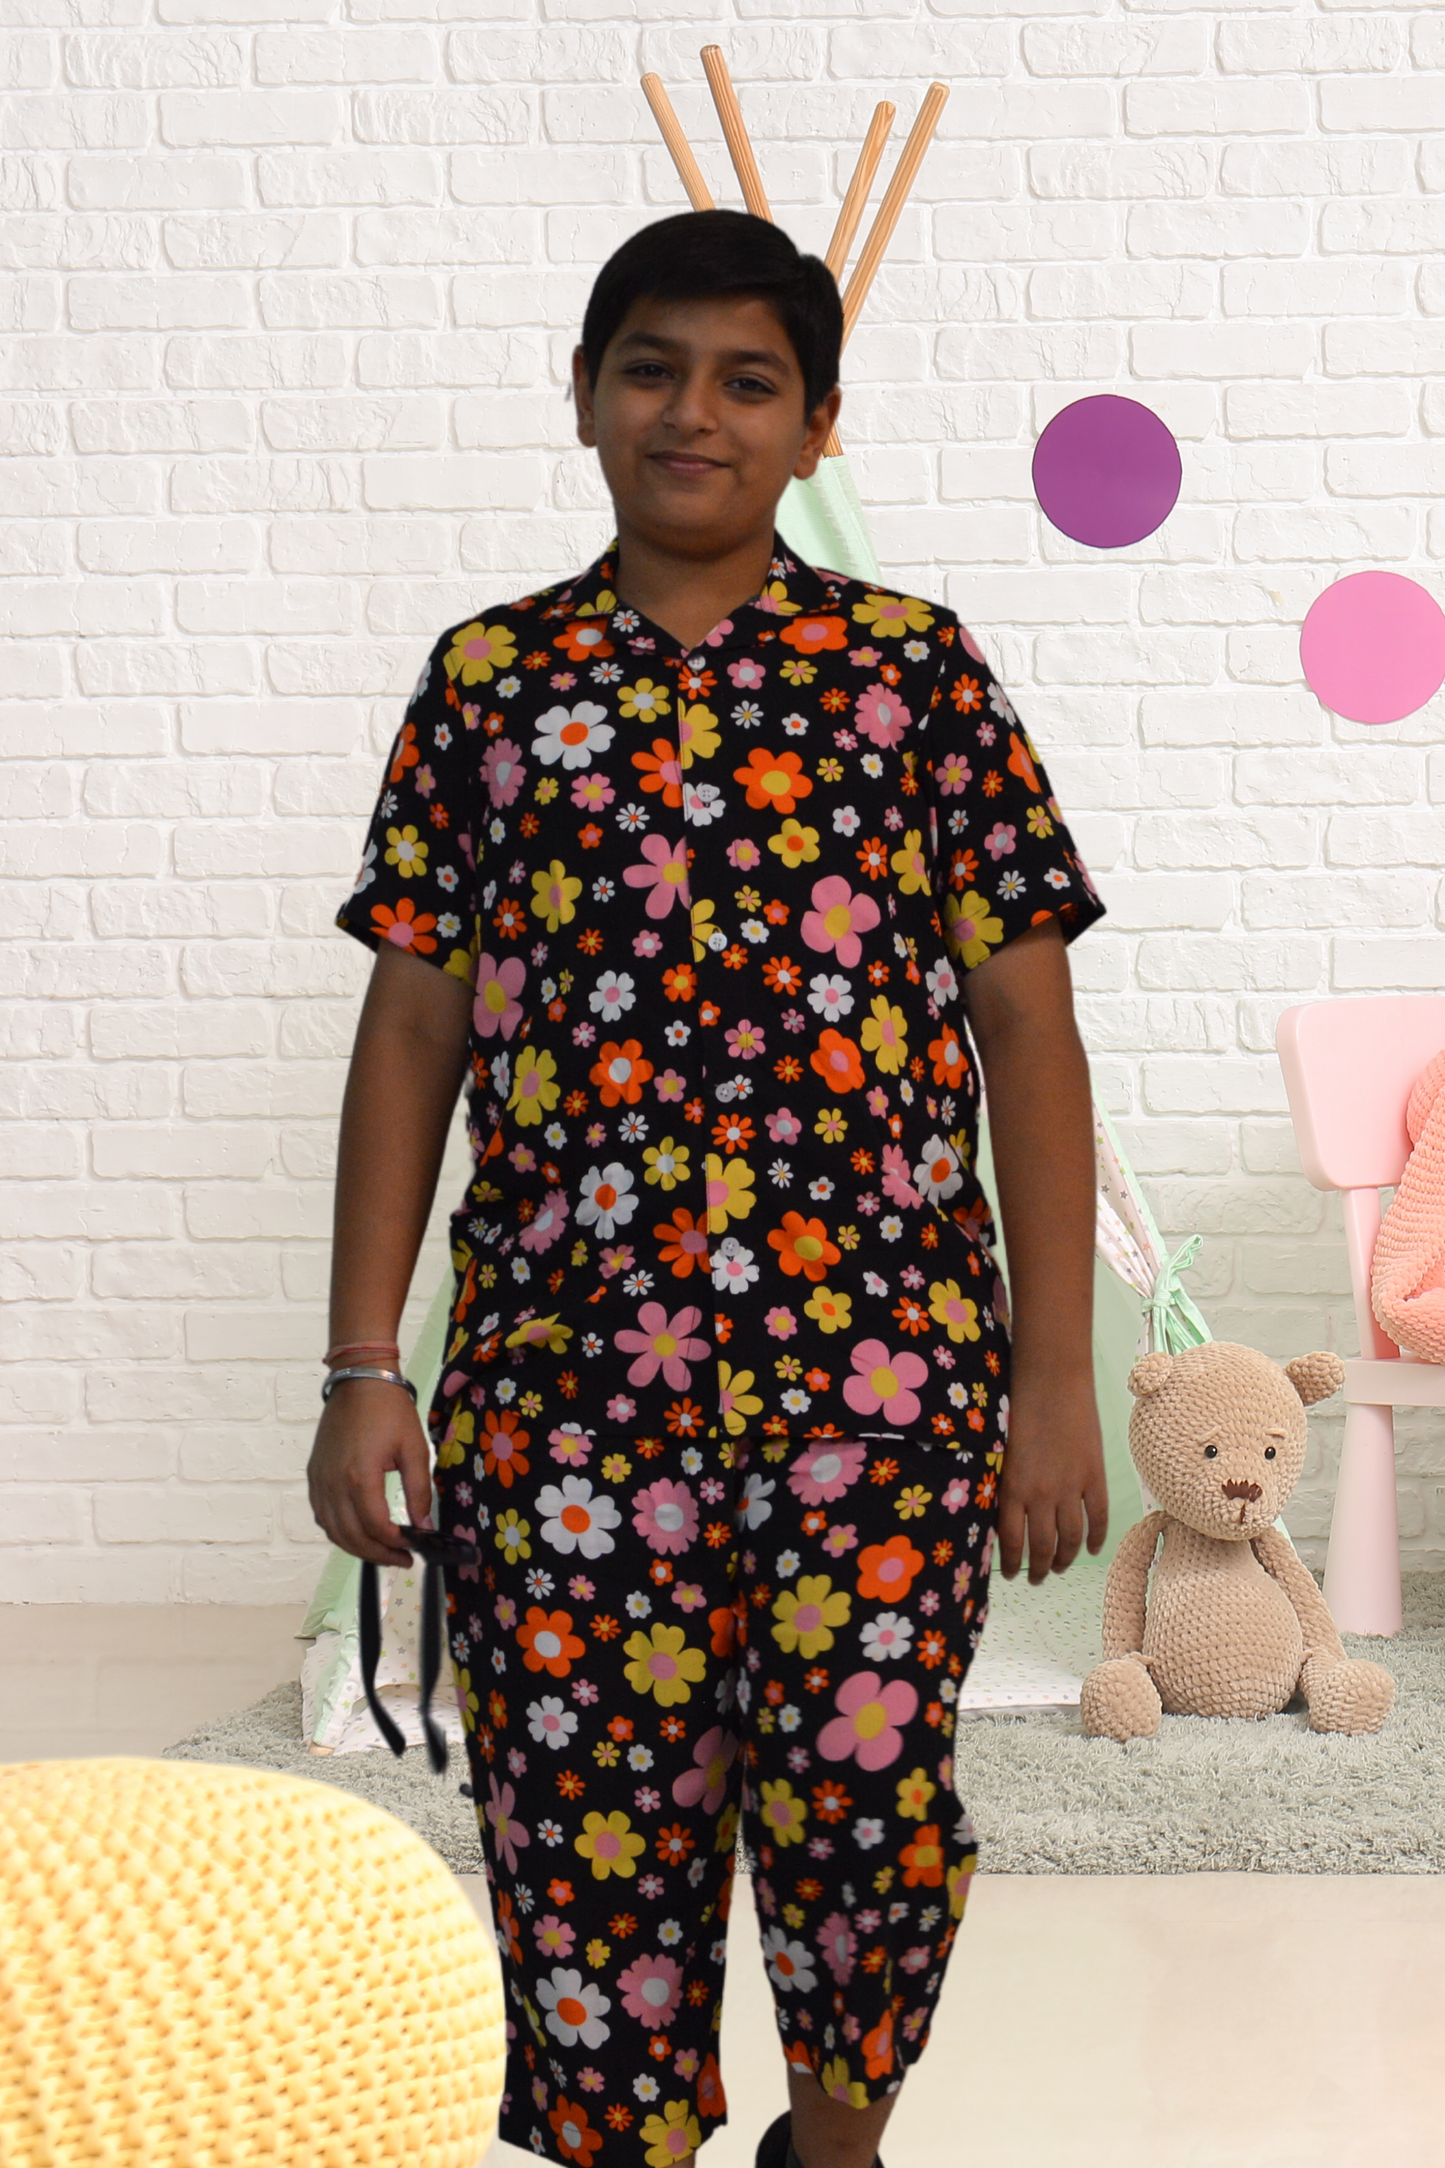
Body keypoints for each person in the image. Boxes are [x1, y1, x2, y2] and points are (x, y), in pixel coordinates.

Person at [309, 208, 1107, 2168]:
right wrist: (361, 1366)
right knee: (585, 1829)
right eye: (652, 368)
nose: (695, 412)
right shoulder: (490, 682)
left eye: (750, 380)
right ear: (583, 395)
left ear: (818, 425)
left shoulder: (912, 676)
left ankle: (833, 2146)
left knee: (868, 1817)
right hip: (563, 1384)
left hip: (882, 1377)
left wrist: (1053, 1380)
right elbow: (411, 1033)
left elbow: (1027, 1033)